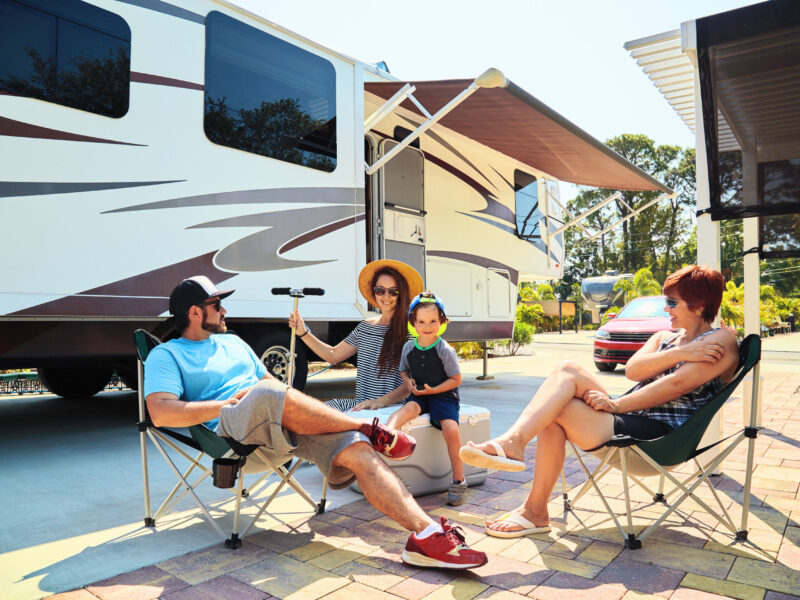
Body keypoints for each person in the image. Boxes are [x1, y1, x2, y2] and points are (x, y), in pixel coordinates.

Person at [144, 275, 487, 569]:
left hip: (277, 431)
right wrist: (227, 402)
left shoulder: (233, 342)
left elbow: (275, 387)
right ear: (195, 312)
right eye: (218, 306)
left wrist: (278, 396)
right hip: (231, 432)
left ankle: (426, 534)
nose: (225, 311)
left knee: (359, 451)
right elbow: (160, 412)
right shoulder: (167, 354)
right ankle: (362, 426)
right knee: (264, 393)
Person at [459, 265, 739, 538]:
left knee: (556, 409)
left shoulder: (720, 340)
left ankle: (530, 496)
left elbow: (677, 385)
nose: (666, 308)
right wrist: (682, 353)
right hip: (630, 415)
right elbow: (633, 370)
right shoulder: (666, 337)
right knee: (567, 370)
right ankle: (516, 451)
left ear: (699, 304)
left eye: (672, 302)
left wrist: (616, 406)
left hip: (659, 437)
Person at [289, 259, 423, 412]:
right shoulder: (365, 327)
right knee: (308, 412)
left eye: (393, 291)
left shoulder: (411, 331)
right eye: (380, 290)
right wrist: (303, 333)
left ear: (402, 294)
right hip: (361, 406)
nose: (386, 296)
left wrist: (381, 401)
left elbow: (414, 382)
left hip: (394, 409)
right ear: (374, 292)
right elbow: (333, 355)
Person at [385, 292, 467, 506]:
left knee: (451, 428)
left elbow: (456, 379)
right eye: (421, 321)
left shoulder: (444, 350)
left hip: (444, 395)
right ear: (413, 323)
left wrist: (434, 391)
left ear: (442, 322)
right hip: (420, 393)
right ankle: (387, 432)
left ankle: (459, 479)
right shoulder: (408, 347)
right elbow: (404, 371)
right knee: (408, 410)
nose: (427, 326)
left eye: (433, 321)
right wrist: (408, 382)